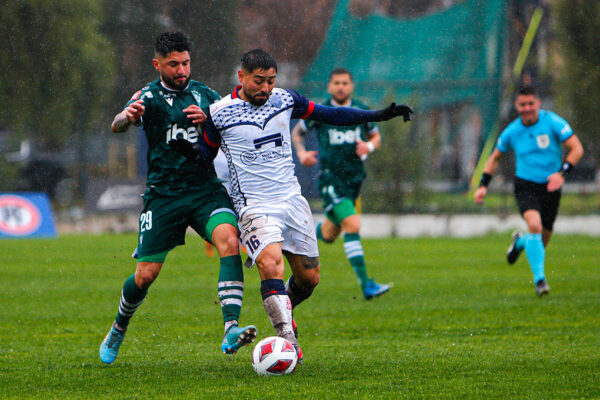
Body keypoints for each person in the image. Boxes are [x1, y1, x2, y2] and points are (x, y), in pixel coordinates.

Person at [169, 49, 412, 362]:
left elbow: (330, 114)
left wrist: (377, 115)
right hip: (254, 206)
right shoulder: (219, 112)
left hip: (292, 201)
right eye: (259, 81)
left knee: (309, 278)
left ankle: (283, 304)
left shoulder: (286, 99)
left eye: (271, 81)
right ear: (242, 77)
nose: (266, 88)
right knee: (270, 263)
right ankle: (287, 339)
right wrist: (187, 151)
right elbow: (205, 156)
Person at [99, 32, 256, 365]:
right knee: (146, 275)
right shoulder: (149, 96)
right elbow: (118, 123)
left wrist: (211, 120)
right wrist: (127, 118)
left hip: (204, 190)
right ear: (158, 64)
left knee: (229, 239)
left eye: (185, 62)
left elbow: (230, 126)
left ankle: (231, 328)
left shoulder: (205, 94)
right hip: (164, 195)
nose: (181, 69)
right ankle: (118, 326)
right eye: (173, 64)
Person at [474, 85, 583, 296]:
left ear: (538, 103)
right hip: (525, 186)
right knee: (534, 224)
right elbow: (495, 158)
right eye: (522, 104)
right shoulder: (512, 131)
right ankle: (540, 282)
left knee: (542, 240)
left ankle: (521, 242)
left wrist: (562, 173)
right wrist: (482, 186)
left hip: (551, 185)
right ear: (517, 106)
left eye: (530, 103)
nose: (527, 108)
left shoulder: (552, 122)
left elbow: (577, 148)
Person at [291, 67, 390, 300]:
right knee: (353, 225)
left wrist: (370, 146)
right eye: (336, 83)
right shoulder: (321, 111)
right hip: (331, 181)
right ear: (329, 86)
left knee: (329, 233)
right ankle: (367, 285)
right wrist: (302, 152)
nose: (341, 87)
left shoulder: (362, 110)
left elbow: (376, 136)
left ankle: (302, 237)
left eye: (345, 82)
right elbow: (297, 133)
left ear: (351, 86)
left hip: (354, 180)